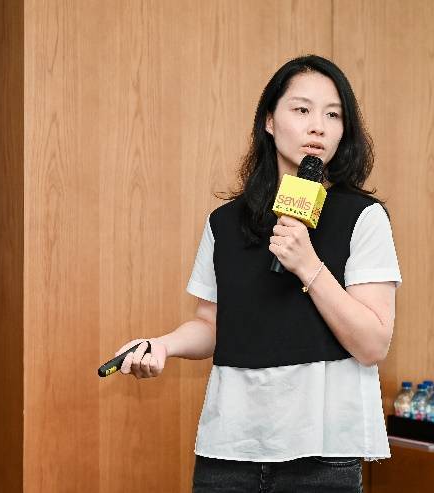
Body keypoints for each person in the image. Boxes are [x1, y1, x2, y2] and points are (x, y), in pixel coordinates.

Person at [114, 54, 401, 493]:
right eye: (302, 110)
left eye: (333, 115)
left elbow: (372, 343)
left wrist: (308, 265)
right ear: (269, 120)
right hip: (229, 452)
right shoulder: (224, 223)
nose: (318, 127)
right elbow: (212, 324)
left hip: (322, 457)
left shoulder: (363, 217)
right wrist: (162, 346)